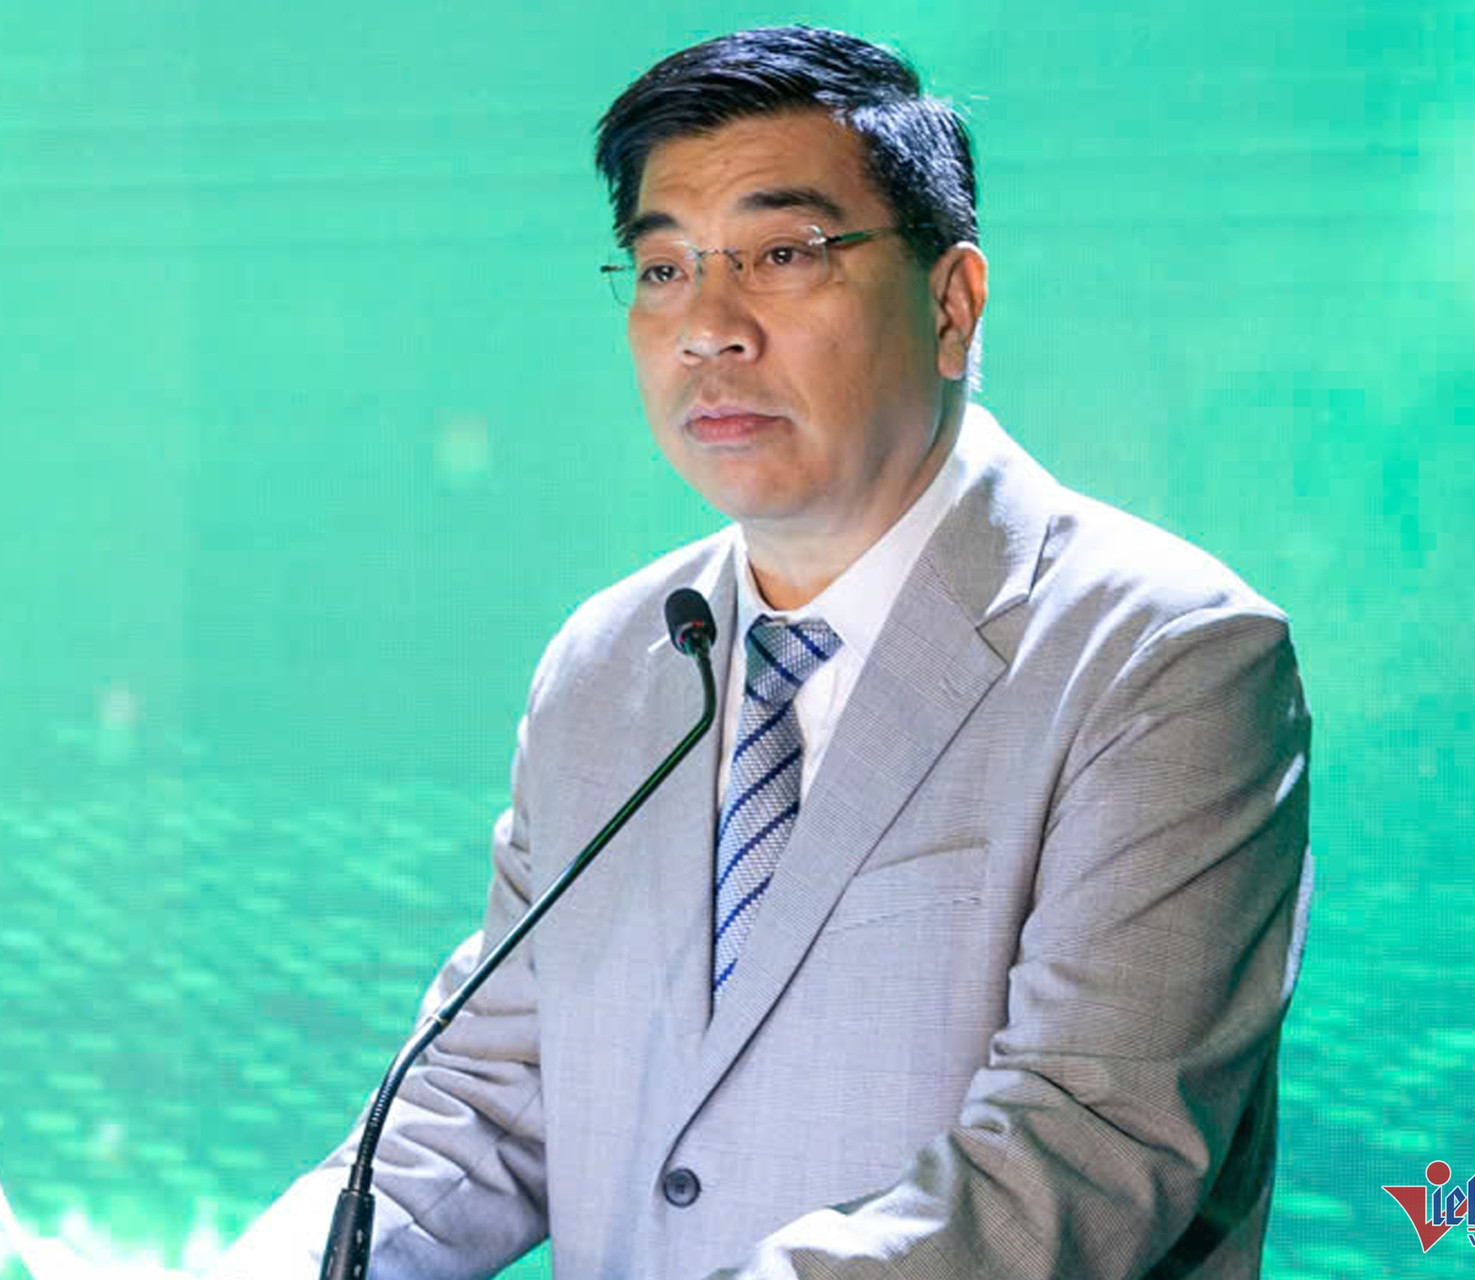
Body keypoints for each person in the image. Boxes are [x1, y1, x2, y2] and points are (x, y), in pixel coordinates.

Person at [214, 24, 1312, 1280]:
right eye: (664, 266)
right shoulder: (609, 662)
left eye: (784, 254)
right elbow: (488, 1096)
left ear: (951, 304)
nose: (710, 328)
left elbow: (1085, 1150)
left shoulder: (1167, 659)